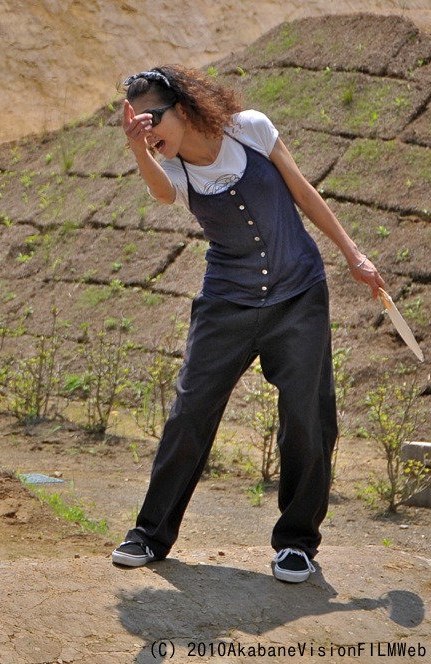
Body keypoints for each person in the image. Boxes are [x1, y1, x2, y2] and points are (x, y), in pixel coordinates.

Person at [112, 65, 385, 583]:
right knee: (190, 411)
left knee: (308, 415)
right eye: (137, 124)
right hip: (226, 303)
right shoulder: (170, 167)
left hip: (298, 295)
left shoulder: (250, 128)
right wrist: (138, 150)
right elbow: (162, 194)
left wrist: (353, 255)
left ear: (184, 109)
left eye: (152, 120)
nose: (147, 132)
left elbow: (304, 192)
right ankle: (150, 534)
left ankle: (297, 545)